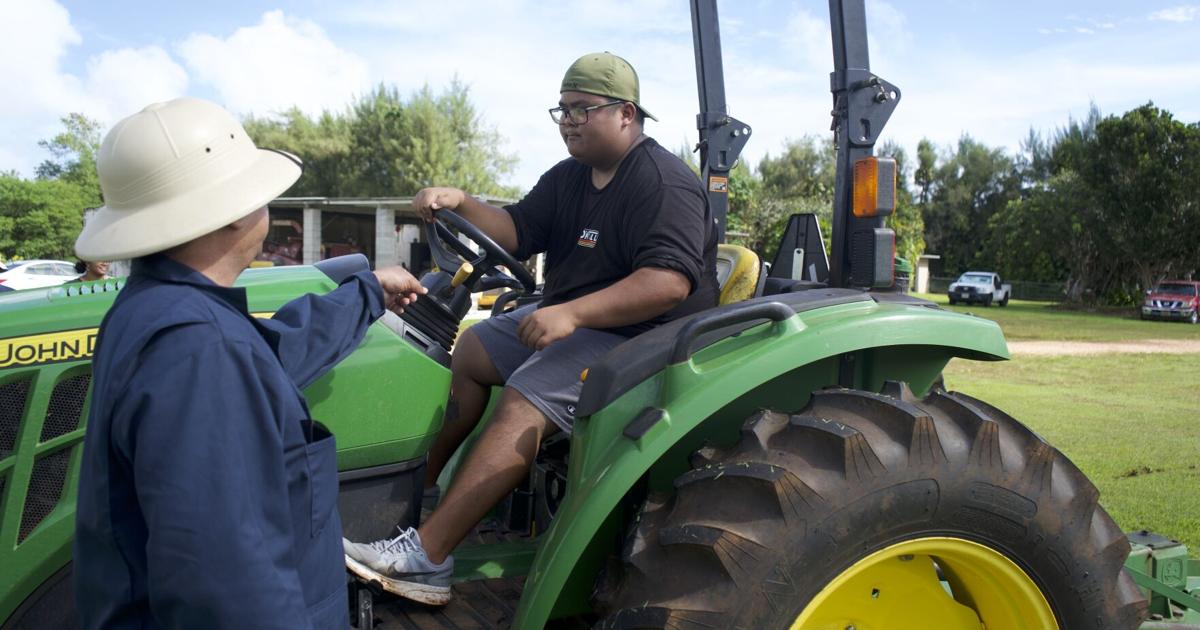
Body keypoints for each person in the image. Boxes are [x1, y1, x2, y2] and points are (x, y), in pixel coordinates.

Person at [343, 52, 718, 605]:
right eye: (562, 109)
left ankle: (427, 559)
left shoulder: (663, 183)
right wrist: (462, 201)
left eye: (582, 109)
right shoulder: (570, 177)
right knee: (472, 349)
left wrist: (572, 314)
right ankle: (420, 496)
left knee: (526, 395)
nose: (568, 121)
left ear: (626, 113)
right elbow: (517, 229)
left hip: (644, 336)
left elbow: (667, 282)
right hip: (578, 319)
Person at [72, 97, 426, 629]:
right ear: (234, 211)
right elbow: (229, 586)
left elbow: (269, 355)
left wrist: (367, 292)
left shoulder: (162, 312)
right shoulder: (200, 351)